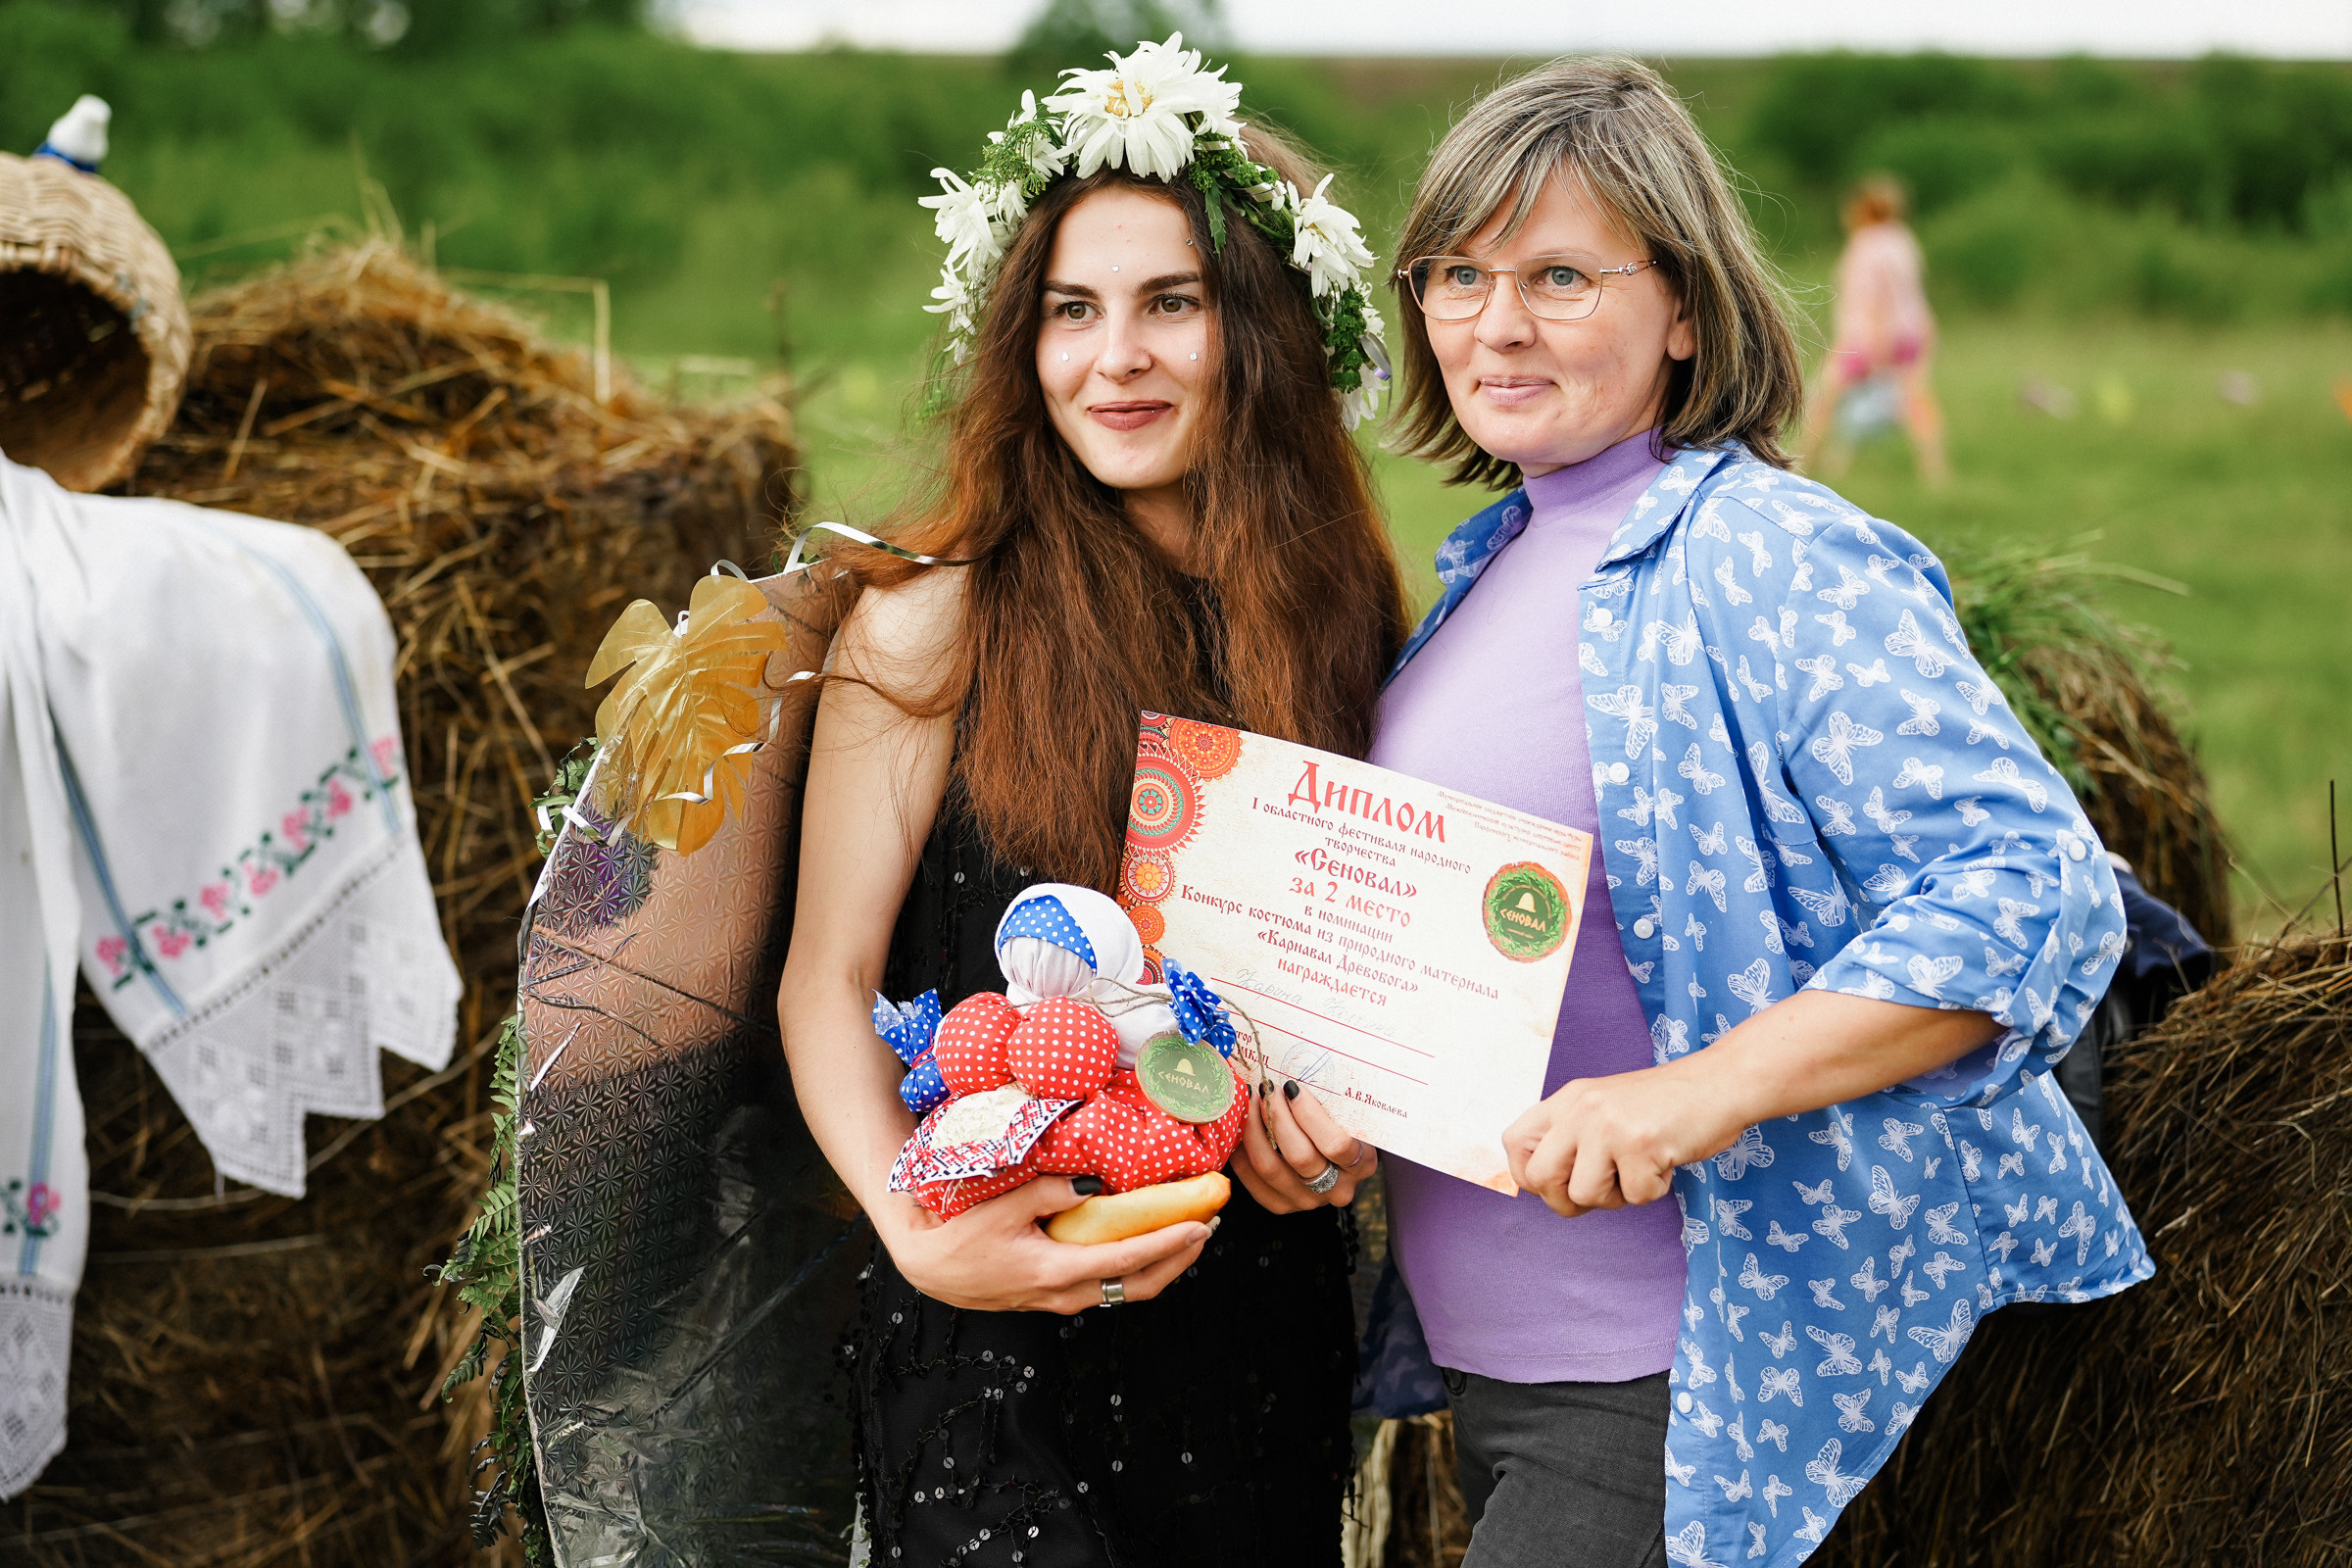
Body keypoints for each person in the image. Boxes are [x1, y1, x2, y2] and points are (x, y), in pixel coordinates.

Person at [1373, 58, 2150, 1566]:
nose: (1494, 321)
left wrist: (1697, 1091)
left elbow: (2030, 884)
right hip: (1490, 1369)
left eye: (1556, 274)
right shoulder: (1489, 565)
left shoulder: (1772, 558)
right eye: (1457, 274)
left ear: (1683, 308)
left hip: (1671, 1372)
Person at [774, 38, 1408, 1568]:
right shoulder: (937, 621)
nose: (1111, 356)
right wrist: (921, 1238)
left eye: (1170, 303)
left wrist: (1342, 1134)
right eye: (1071, 310)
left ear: (1265, 329)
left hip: (1249, 1314)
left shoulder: (1341, 625)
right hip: (991, 1326)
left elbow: (1361, 984)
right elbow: (828, 982)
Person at [1798, 174, 1950, 484]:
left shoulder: (1865, 244)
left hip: (1868, 339)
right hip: (1911, 335)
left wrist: (1877, 342)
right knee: (1915, 400)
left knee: (1823, 396)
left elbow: (1874, 296)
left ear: (1864, 209)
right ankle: (1936, 471)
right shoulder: (1902, 241)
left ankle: (1798, 464)